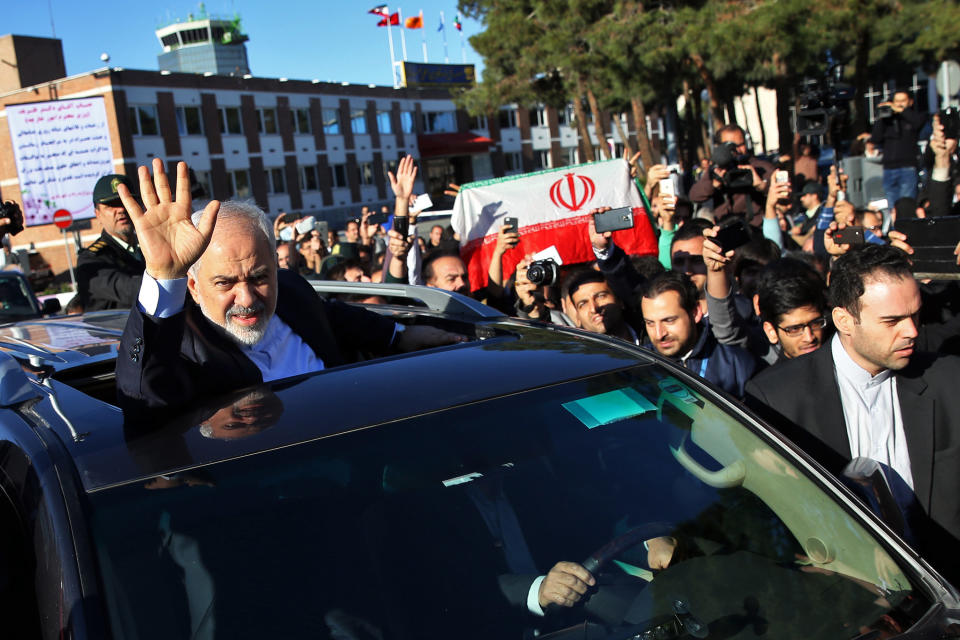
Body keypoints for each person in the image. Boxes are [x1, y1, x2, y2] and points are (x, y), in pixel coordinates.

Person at [115, 159, 462, 418]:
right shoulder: (178, 345)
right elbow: (144, 394)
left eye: (260, 277)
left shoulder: (293, 292)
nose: (247, 299)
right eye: (225, 283)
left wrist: (398, 334)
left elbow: (333, 317)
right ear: (192, 285)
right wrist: (163, 275)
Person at [746, 244, 960, 581]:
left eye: (915, 314)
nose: (912, 331)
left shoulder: (949, 381)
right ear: (844, 320)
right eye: (892, 320)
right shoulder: (776, 400)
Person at [640, 271, 756, 397]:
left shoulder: (735, 363)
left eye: (669, 320)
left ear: (695, 312)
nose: (659, 334)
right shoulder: (638, 364)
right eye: (650, 323)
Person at [76, 173, 145, 310]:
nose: (121, 210)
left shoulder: (150, 248)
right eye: (111, 205)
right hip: (116, 330)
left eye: (126, 202)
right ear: (98, 214)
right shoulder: (92, 259)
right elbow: (128, 290)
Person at [688, 124, 775, 222]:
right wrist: (714, 184)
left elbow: (780, 189)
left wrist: (761, 185)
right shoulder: (717, 169)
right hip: (726, 226)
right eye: (730, 146)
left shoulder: (759, 166)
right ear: (720, 147)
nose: (737, 150)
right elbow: (694, 196)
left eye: (741, 145)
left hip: (756, 226)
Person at [869, 90, 928, 207]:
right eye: (896, 101)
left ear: (910, 102)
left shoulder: (913, 117)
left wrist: (902, 111)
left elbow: (918, 122)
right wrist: (881, 117)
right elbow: (876, 138)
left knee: (907, 205)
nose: (898, 104)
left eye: (902, 101)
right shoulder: (887, 120)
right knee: (892, 207)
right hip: (889, 169)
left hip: (908, 167)